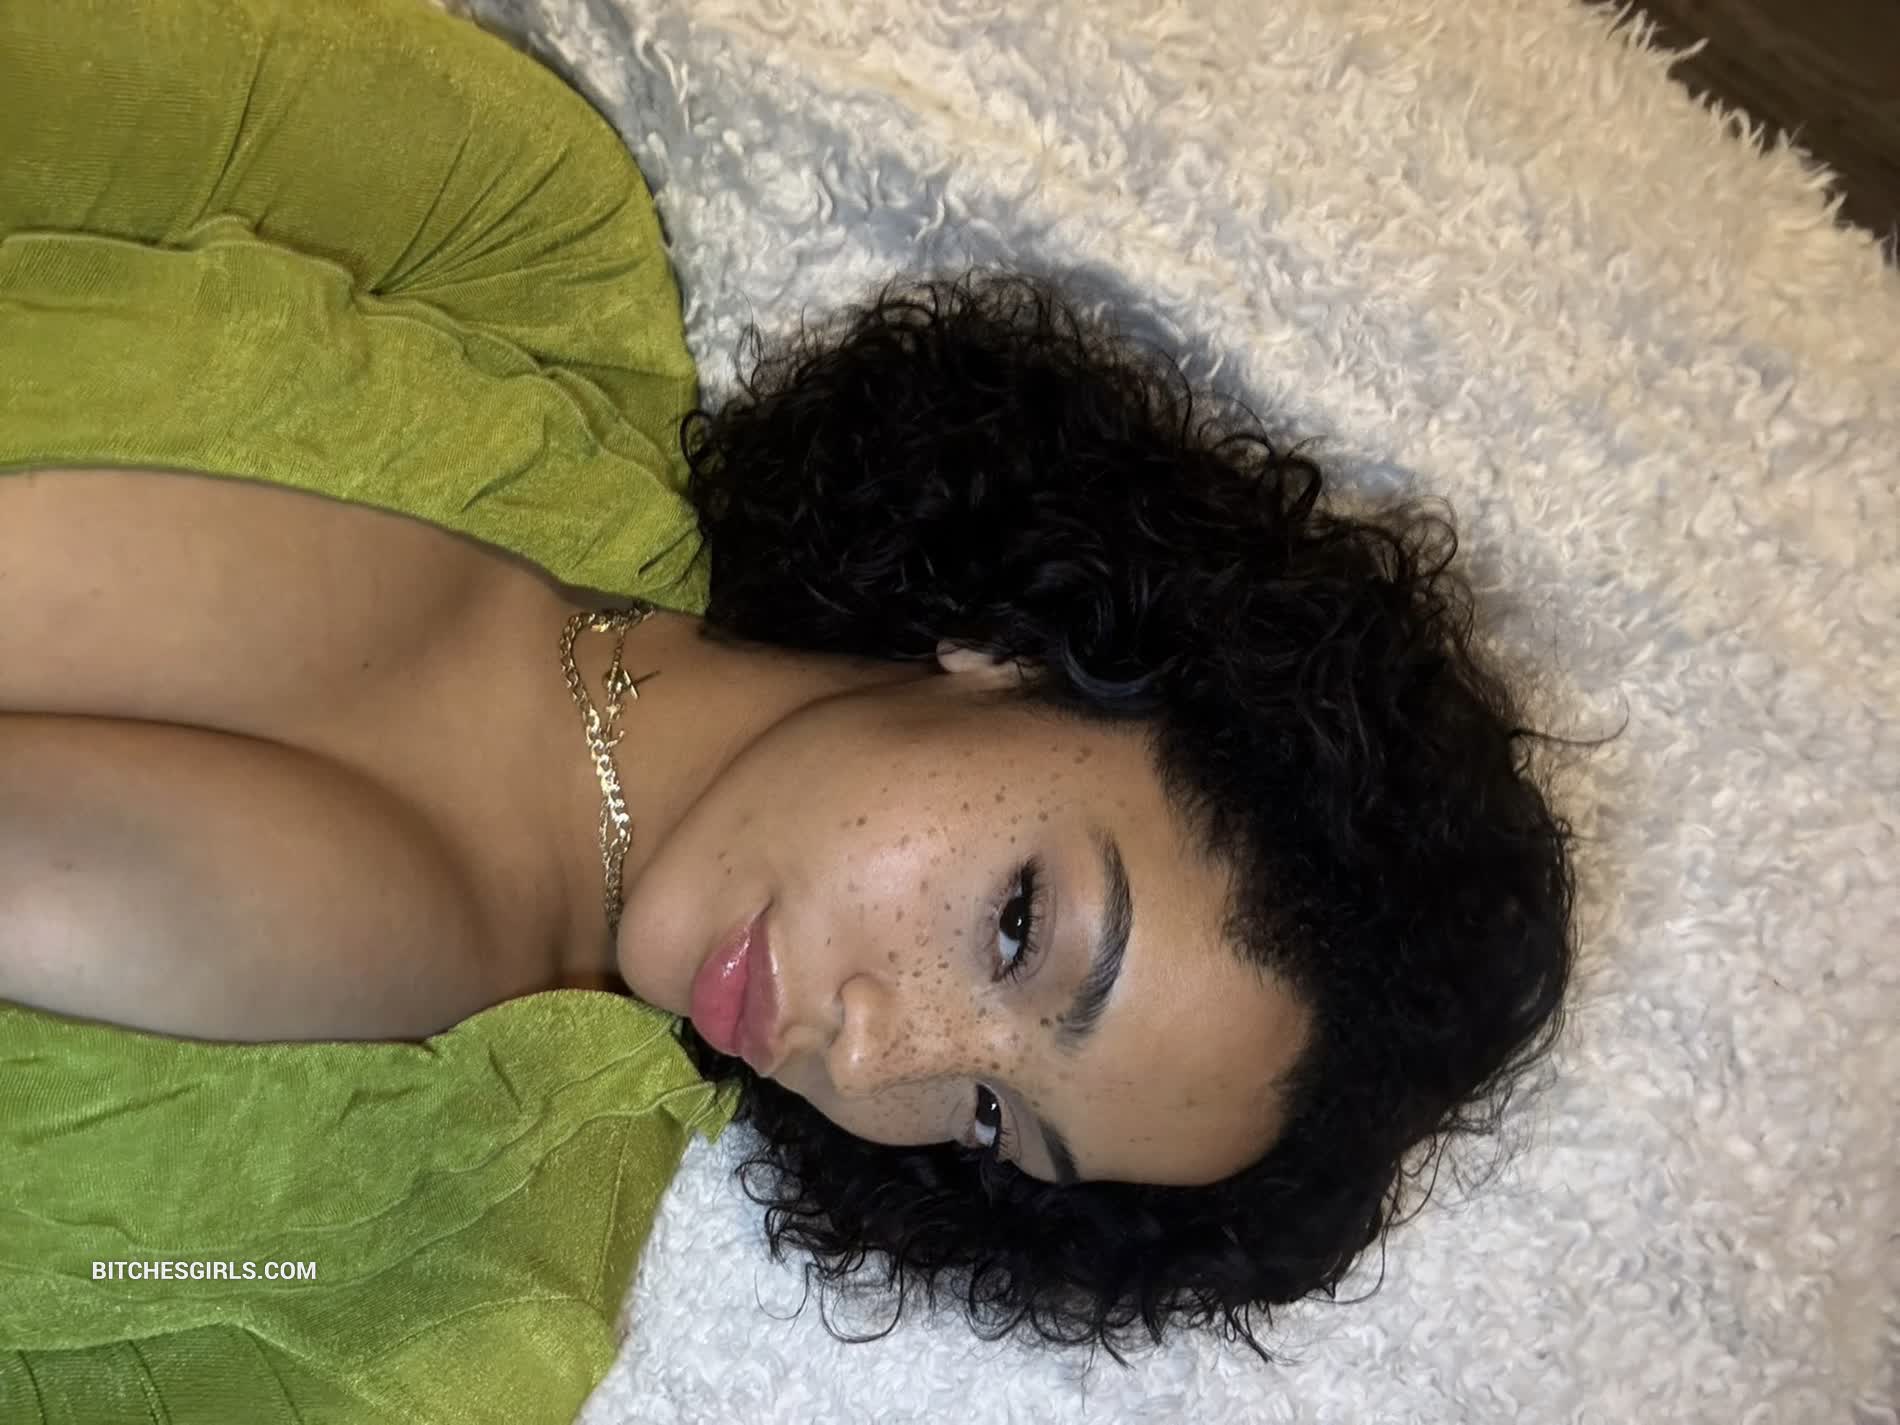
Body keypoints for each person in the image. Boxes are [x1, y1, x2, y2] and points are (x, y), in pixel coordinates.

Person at [0, 0, 1597, 1410]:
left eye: (991, 1115)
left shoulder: (457, 1313)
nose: (881, 1049)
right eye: (1019, 928)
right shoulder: (511, 243)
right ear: (1024, 645)